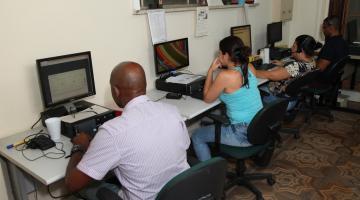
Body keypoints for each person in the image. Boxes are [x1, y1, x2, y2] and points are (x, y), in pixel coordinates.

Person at [65, 62, 190, 200]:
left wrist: (78, 147)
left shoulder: (112, 132)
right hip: (183, 192)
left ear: (116, 91)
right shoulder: (172, 111)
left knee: (87, 188)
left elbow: (72, 185)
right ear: (144, 85)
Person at [191, 36, 263, 161]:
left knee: (197, 136)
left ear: (226, 55)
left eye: (220, 52)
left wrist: (210, 71)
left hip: (242, 133)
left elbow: (207, 98)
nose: (218, 55)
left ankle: (210, 175)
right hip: (259, 127)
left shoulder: (226, 76)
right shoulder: (249, 67)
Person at [255, 35, 322, 110]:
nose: (291, 48)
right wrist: (284, 64)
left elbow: (271, 75)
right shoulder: (312, 61)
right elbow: (298, 69)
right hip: (293, 98)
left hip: (280, 100)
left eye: (294, 46)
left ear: (301, 51)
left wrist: (252, 70)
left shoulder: (295, 66)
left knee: (256, 88)